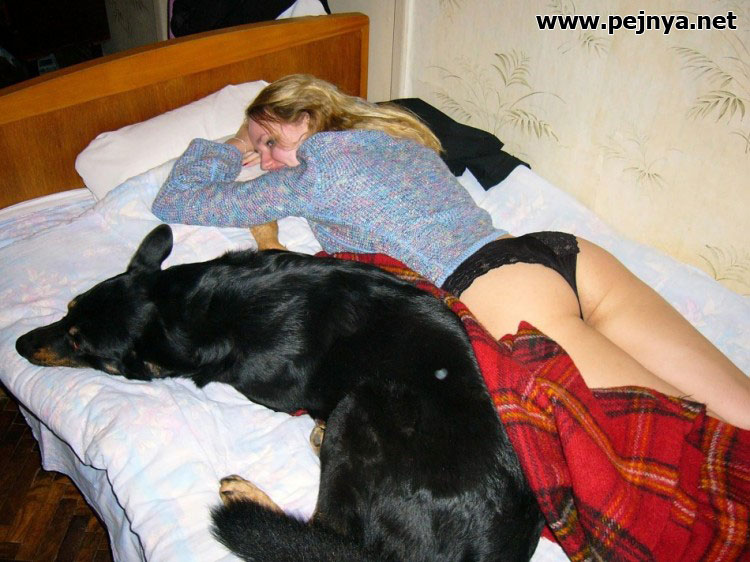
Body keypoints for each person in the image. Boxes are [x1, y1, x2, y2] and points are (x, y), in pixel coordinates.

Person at [152, 74, 750, 429]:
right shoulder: (397, 135)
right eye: (256, 149)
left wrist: (230, 144)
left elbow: (177, 197)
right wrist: (263, 149)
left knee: (692, 441)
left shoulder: (319, 171)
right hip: (562, 256)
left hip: (497, 289)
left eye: (268, 142)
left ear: (304, 119)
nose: (264, 161)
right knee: (738, 412)